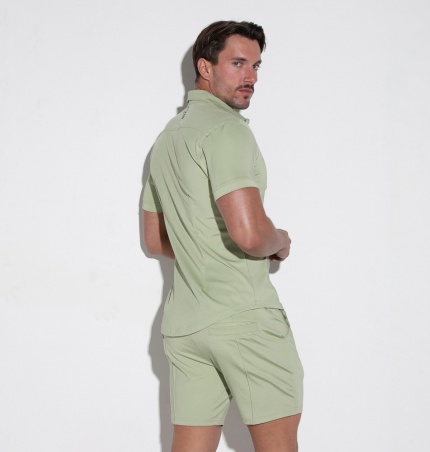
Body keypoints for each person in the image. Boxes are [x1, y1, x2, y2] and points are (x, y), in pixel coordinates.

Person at [142, 20, 304, 452]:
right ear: (205, 67)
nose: (251, 76)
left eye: (256, 66)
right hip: (243, 320)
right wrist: (280, 241)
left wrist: (203, 246)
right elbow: (250, 235)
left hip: (185, 326)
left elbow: (155, 240)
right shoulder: (228, 130)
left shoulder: (166, 141)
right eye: (237, 63)